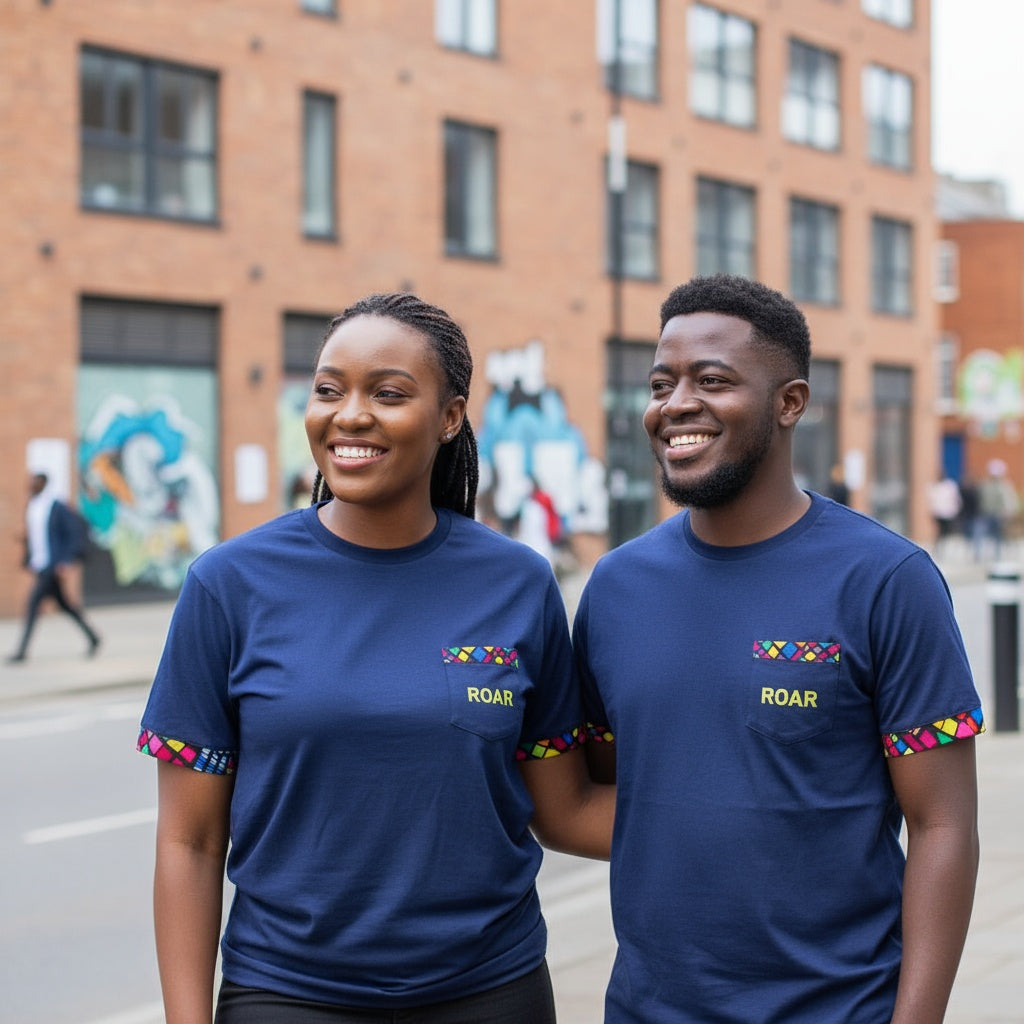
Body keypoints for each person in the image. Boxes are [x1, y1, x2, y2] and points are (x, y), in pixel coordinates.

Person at [136, 292, 613, 1024]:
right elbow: (190, 841)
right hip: (289, 996)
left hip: (492, 992)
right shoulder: (228, 585)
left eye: (387, 393)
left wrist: (775, 819)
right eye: (329, 389)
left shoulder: (517, 582)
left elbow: (565, 808)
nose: (350, 414)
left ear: (450, 417)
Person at [574, 274, 983, 1024]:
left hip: (839, 1008)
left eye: (713, 380)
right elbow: (616, 793)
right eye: (662, 383)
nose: (675, 405)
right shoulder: (614, 589)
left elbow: (943, 827)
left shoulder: (887, 580)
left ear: (790, 402)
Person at [6, 472, 100, 664]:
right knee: (66, 607)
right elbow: (38, 535)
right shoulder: (32, 506)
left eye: (36, 482)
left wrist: (65, 560)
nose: (31, 485)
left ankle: (22, 651)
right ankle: (93, 637)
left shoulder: (56, 507)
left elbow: (73, 531)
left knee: (32, 605)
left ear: (44, 484)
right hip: (40, 566)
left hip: (52, 566)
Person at [927, 470, 962, 559]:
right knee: (940, 532)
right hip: (939, 513)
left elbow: (955, 499)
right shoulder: (935, 487)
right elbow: (932, 501)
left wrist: (956, 510)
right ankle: (940, 549)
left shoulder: (949, 486)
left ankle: (948, 549)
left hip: (949, 513)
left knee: (949, 532)